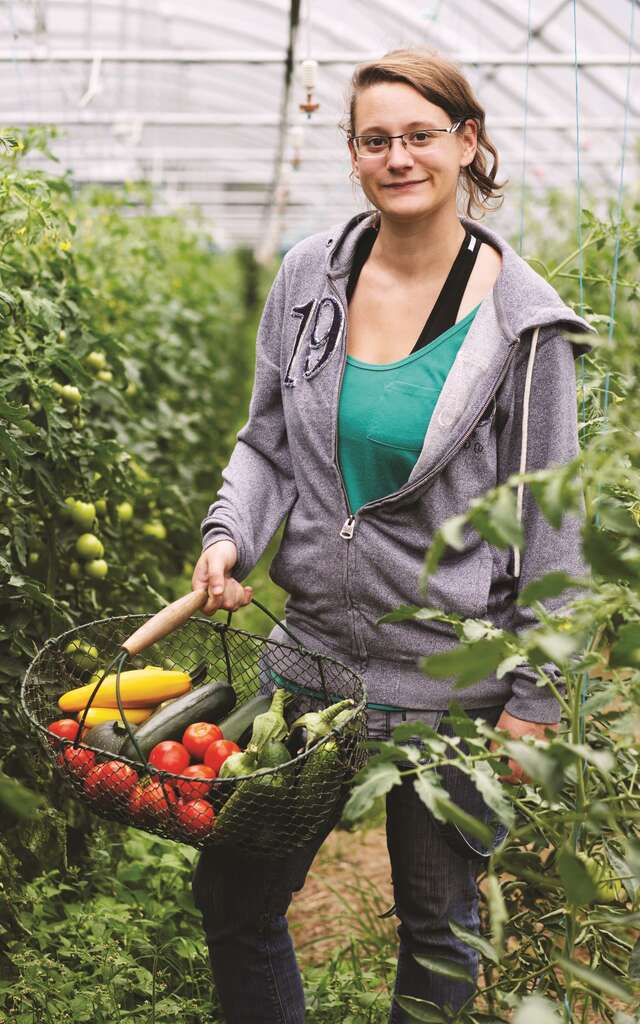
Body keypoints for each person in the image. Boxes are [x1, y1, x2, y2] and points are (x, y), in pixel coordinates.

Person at [190, 48, 594, 1023]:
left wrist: (534, 699)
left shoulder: (522, 327)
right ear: (353, 152)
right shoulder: (307, 279)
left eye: (420, 135)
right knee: (235, 897)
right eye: (375, 139)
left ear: (466, 143)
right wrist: (228, 533)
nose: (397, 156)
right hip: (310, 661)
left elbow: (553, 524)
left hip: (450, 686)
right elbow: (267, 443)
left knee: (437, 929)